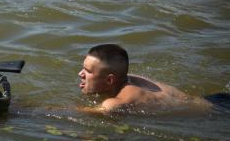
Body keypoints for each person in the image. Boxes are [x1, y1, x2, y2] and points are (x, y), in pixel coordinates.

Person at [77, 44, 229, 115]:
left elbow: (73, 114)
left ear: (110, 80)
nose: (80, 74)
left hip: (219, 112)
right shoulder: (126, 79)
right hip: (214, 100)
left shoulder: (114, 104)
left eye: (88, 71)